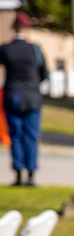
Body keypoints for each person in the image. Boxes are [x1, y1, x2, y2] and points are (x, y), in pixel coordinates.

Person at [0, 12, 47, 187]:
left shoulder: (6, 49)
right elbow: (44, 74)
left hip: (13, 96)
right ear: (28, 28)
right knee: (31, 136)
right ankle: (31, 174)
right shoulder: (35, 50)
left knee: (16, 136)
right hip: (32, 97)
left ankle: (18, 172)